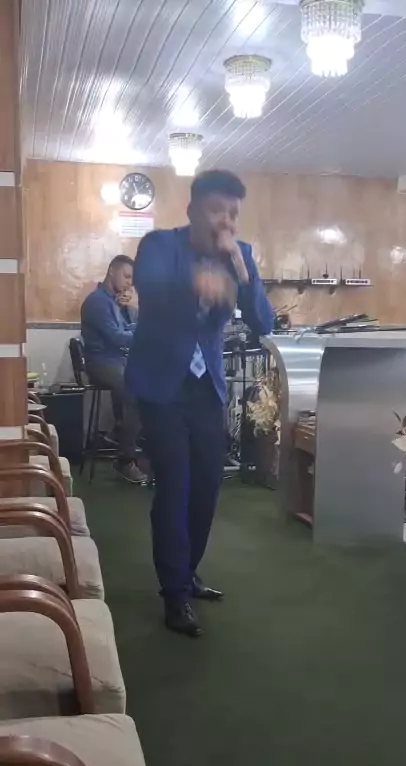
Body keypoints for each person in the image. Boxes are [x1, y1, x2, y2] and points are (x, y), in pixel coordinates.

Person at [126, 169, 274, 637]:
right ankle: (174, 594)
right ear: (192, 211)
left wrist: (242, 274)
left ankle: (187, 573)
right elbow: (152, 289)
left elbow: (264, 322)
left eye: (233, 213)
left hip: (206, 388)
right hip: (160, 385)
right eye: (216, 210)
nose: (225, 221)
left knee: (208, 485)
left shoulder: (239, 254)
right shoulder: (159, 246)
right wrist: (197, 282)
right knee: (176, 483)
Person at [81, 255, 147, 484]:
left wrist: (137, 320)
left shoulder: (110, 301)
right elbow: (117, 337)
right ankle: (125, 459)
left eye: (132, 279)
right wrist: (146, 333)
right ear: (112, 271)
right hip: (101, 363)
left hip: (115, 360)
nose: (129, 282)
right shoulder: (98, 302)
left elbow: (125, 328)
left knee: (146, 386)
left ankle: (120, 432)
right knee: (137, 395)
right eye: (126, 276)